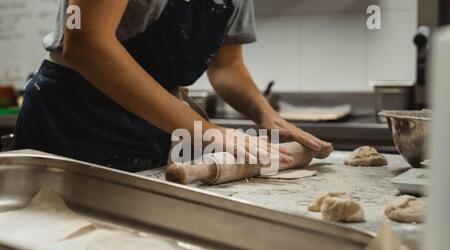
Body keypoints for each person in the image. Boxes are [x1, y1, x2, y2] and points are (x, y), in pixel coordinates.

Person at [15, 0, 333, 172]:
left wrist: (264, 113)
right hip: (73, 117)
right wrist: (207, 131)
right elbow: (86, 43)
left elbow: (227, 67)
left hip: (155, 122)